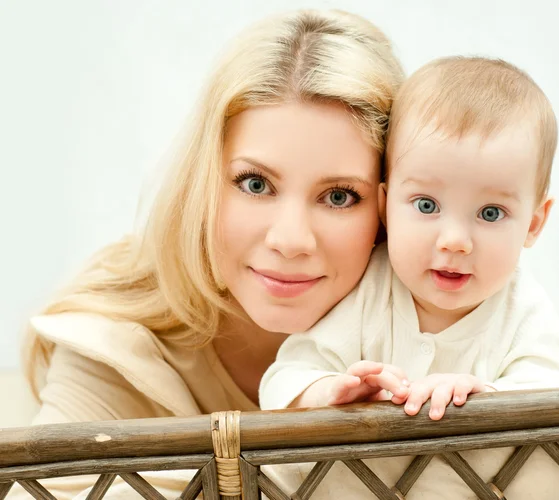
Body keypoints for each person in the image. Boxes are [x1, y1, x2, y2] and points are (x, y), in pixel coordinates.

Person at [10, 9, 404, 499]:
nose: (291, 239)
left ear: (391, 208)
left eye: (340, 196)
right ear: (202, 181)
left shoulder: (449, 325)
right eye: (255, 184)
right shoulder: (116, 345)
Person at [260, 56, 559, 419]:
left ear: (534, 225)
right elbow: (281, 381)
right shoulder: (369, 290)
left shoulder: (525, 314)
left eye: (490, 213)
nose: (454, 241)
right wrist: (328, 390)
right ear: (384, 206)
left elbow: (556, 405)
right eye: (426, 205)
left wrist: (486, 394)